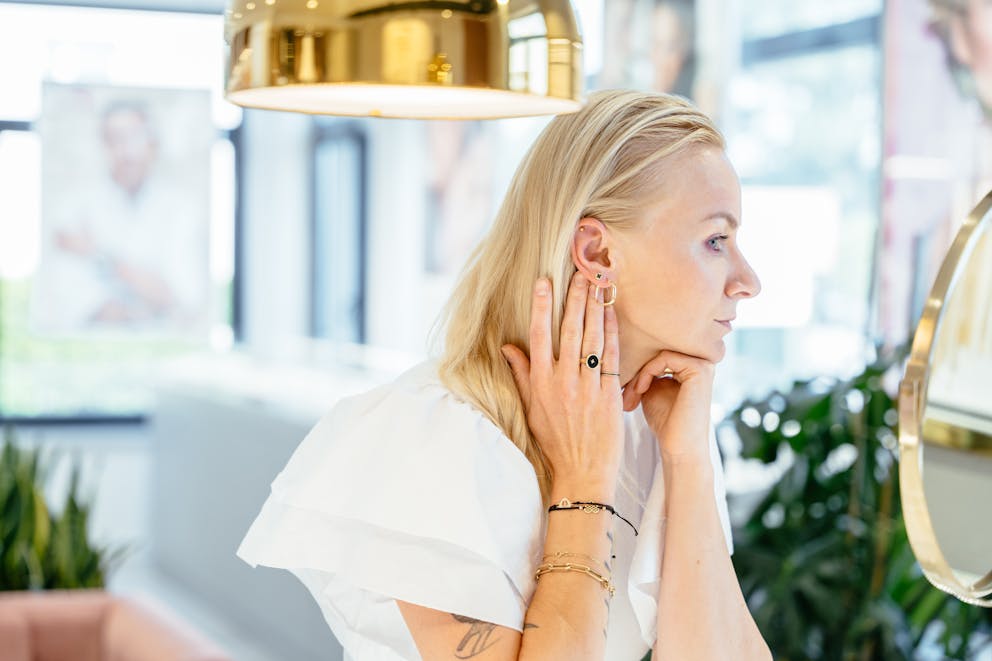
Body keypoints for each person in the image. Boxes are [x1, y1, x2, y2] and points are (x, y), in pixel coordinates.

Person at [237, 90, 771, 660]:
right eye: (716, 240)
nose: (748, 280)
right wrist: (583, 487)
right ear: (598, 252)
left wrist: (687, 462)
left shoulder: (662, 431)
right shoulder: (434, 440)